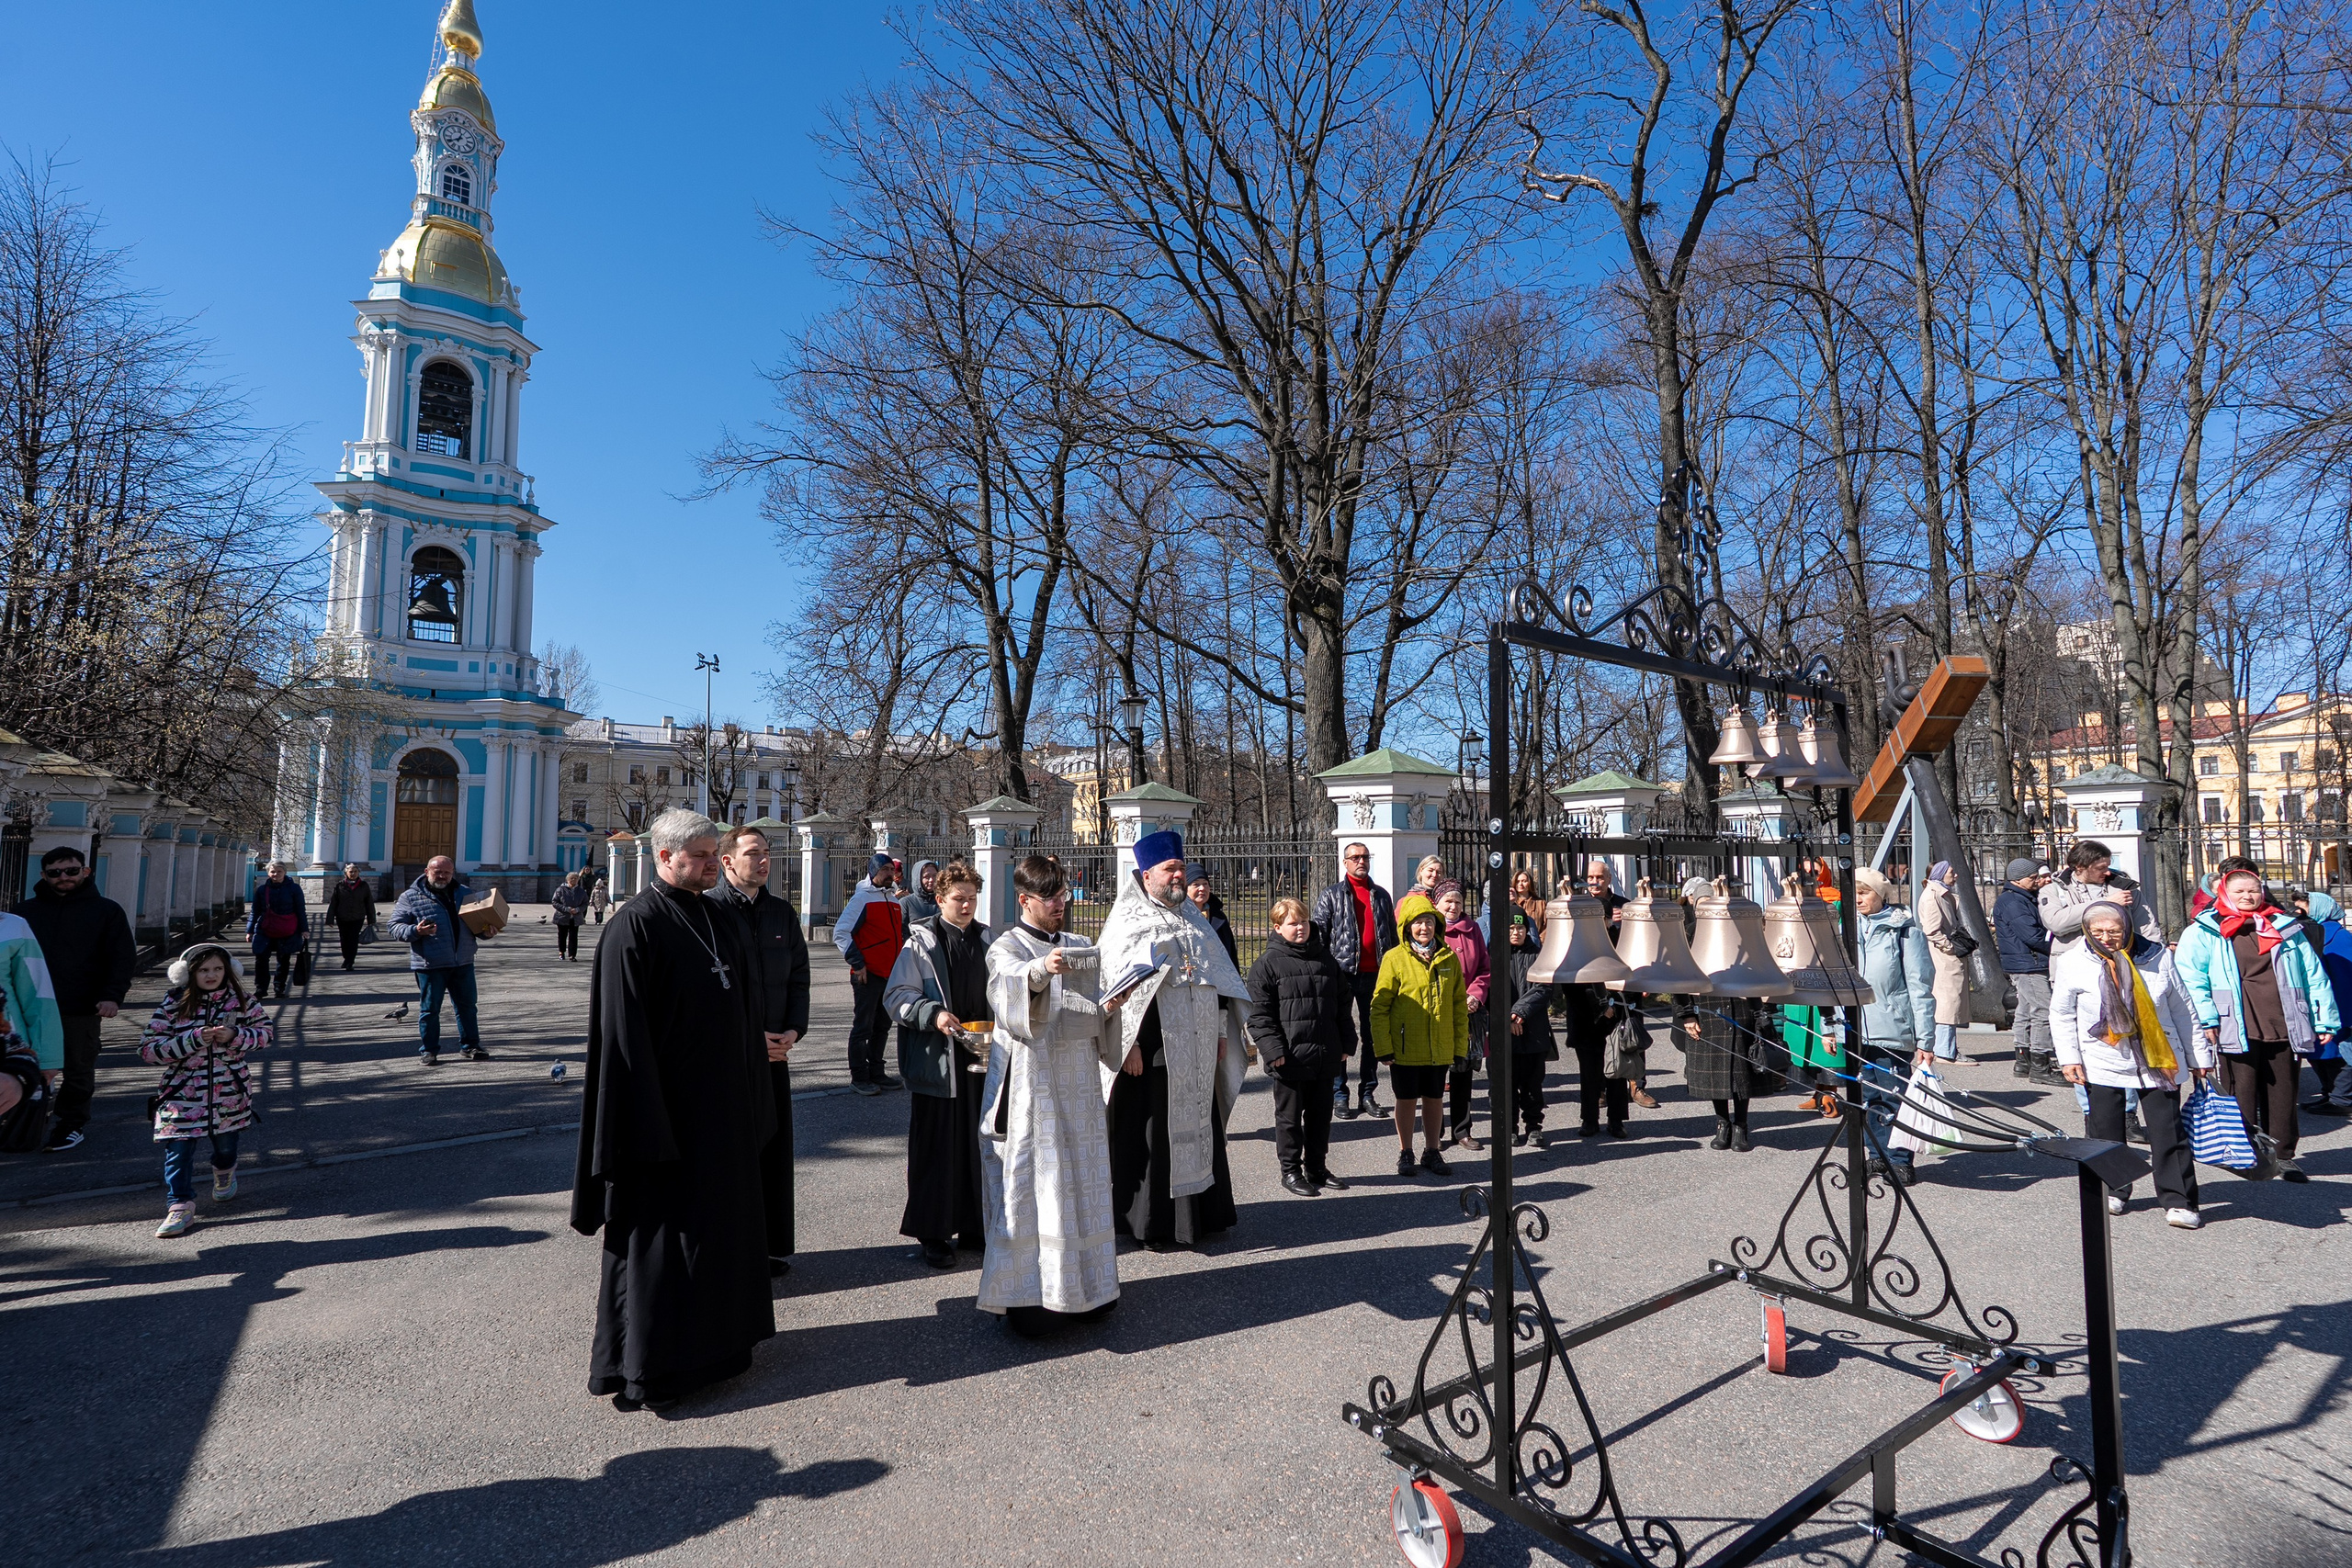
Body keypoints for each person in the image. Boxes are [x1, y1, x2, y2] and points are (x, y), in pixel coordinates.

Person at [571, 809, 775, 1411]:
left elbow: (744, 1012)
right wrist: (647, 1129)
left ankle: (723, 1349)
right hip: (662, 1124)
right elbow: (623, 1044)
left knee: (720, 1238)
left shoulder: (719, 918)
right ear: (664, 857)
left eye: (717, 855)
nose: (715, 866)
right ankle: (649, 1368)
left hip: (724, 1114)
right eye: (703, 857)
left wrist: (752, 1097)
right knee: (659, 1246)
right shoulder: (631, 928)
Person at [981, 855, 1127, 1334]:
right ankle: (1032, 1300)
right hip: (1033, 1086)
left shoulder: (1080, 944)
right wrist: (1040, 971)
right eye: (1051, 897)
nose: (1061, 904)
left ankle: (1090, 1288)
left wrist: (1112, 1005)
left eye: (1064, 895)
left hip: (1080, 1083)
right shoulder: (1006, 946)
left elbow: (1087, 1011)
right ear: (1024, 899)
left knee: (1082, 1178)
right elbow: (1006, 1000)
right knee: (1038, 1180)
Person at [1101, 829, 1251, 1250]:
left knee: (1201, 1126)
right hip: (1148, 1052)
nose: (1178, 877)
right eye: (1170, 870)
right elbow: (1113, 988)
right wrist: (1124, 1043)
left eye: (1181, 869)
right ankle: (1152, 1223)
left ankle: (1203, 1214)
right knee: (1151, 1133)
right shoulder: (1126, 923)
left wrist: (1221, 1032)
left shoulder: (1194, 920)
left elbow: (1217, 981)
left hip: (1198, 1048)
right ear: (1145, 874)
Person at [2174, 865, 2339, 1184]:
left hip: (2284, 1018)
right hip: (2233, 1019)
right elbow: (2191, 979)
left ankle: (2284, 1156)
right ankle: (2246, 1152)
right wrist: (2206, 1018)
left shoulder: (2285, 927)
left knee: (2283, 1091)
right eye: (2239, 891)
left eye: (2253, 890)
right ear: (2224, 893)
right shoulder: (2204, 929)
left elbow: (2313, 975)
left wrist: (2323, 1019)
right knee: (2241, 1090)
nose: (2248, 896)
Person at [2051, 900, 2211, 1228]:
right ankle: (2113, 1188)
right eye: (2098, 931)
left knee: (2167, 1131)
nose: (2106, 938)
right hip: (2100, 1057)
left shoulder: (2158, 956)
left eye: (2114, 931)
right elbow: (2062, 1013)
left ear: (2128, 928)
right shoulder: (2073, 961)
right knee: (2105, 1128)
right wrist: (2068, 1058)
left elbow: (2183, 1010)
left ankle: (2179, 1200)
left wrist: (2199, 1058)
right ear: (2086, 931)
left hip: (2158, 1056)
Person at [708, 824, 808, 1277]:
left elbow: (798, 978)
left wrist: (792, 1031)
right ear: (727, 861)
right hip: (727, 1061)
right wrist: (748, 1039)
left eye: (767, 852)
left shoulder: (782, 913)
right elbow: (709, 994)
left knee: (769, 1151)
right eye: (753, 853)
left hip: (774, 1056)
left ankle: (765, 1247)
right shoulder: (708, 912)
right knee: (732, 1156)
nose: (764, 861)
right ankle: (729, 1251)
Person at [886, 860, 994, 1269]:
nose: (966, 906)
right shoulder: (921, 943)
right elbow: (896, 996)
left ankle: (974, 1226)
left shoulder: (988, 940)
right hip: (938, 1065)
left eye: (971, 898)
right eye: (958, 899)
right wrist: (933, 1014)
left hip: (982, 1062)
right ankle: (932, 1234)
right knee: (936, 1151)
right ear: (939, 898)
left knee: (977, 1146)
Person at [140, 943, 270, 1238]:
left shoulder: (242, 1002)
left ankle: (224, 1172)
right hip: (182, 1093)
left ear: (229, 970)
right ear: (188, 974)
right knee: (179, 1151)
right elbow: (148, 1049)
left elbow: (266, 1034)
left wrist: (237, 1035)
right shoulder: (173, 1005)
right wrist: (192, 1040)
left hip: (228, 1093)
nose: (211, 975)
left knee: (226, 1148)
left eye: (218, 969)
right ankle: (179, 1205)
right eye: (203, 970)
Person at [15, 846, 132, 1153]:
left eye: (71, 870)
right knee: (22, 1064)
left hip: (81, 1006)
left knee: (78, 1067)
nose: (63, 877)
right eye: (55, 873)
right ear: (43, 876)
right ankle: (21, 1123)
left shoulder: (107, 911)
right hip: (28, 1008)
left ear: (86, 871)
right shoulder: (24, 913)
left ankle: (70, 1125)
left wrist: (111, 997)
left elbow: (120, 958)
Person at [1246, 895, 1355, 1195]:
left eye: (1304, 922)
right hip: (1289, 1059)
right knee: (1290, 1120)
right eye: (1293, 924)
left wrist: (1346, 1042)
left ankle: (1317, 1168)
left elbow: (1343, 1004)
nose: (1300, 928)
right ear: (1278, 927)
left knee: (1320, 1118)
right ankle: (1291, 1171)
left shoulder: (1325, 958)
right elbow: (1259, 1015)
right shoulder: (1267, 964)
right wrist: (1273, 1051)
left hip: (1324, 1054)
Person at [1374, 894, 1468, 1178]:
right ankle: (1406, 1151)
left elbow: (1459, 1006)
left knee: (1434, 1098)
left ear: (1436, 925)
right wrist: (1384, 1047)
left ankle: (1431, 1151)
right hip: (1405, 1046)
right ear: (1407, 927)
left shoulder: (1448, 957)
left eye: (1428, 922)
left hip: (1439, 1046)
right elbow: (1379, 1006)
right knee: (1405, 1099)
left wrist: (1459, 1046)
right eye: (1417, 923)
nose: (1424, 928)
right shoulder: (1394, 958)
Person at [1853, 868, 1938, 1185]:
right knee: (1867, 1097)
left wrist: (1926, 1040)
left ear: (1881, 895)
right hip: (1856, 1029)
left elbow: (1920, 986)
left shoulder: (1904, 931)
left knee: (1894, 1096)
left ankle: (1900, 1159)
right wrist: (1833, 1026)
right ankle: (1875, 1156)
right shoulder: (1846, 930)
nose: (1859, 899)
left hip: (1892, 1027)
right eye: (1855, 892)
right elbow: (1838, 980)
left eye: (1865, 892)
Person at [1312, 842, 1396, 1122]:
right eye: (1355, 857)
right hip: (1343, 975)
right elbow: (1320, 937)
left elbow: (1392, 939)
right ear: (1345, 862)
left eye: (1364, 857)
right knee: (1340, 1035)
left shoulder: (1382, 896)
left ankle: (1368, 1093)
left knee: (1374, 1036)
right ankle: (1339, 1094)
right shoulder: (1331, 896)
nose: (1361, 861)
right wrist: (1326, 972)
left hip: (1377, 975)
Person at [387, 855, 492, 1065]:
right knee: (430, 1010)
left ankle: (470, 1045)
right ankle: (429, 1050)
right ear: (427, 872)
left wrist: (487, 932)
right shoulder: (410, 896)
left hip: (462, 962)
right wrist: (415, 930)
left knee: (467, 1007)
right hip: (430, 964)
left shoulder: (465, 894)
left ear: (453, 873)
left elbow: (477, 927)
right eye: (438, 872)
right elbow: (394, 927)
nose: (442, 876)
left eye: (447, 873)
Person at [835, 852, 907, 1096]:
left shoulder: (894, 900)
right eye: (884, 869)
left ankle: (877, 1072)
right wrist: (858, 963)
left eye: (891, 869)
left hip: (890, 975)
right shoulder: (862, 899)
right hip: (867, 974)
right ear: (873, 871)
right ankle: (859, 1076)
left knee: (882, 1026)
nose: (889, 873)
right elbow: (842, 933)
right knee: (863, 1027)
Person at [1435, 881, 1489, 1152]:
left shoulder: (1473, 929)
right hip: (1438, 1012)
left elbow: (1484, 967)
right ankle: (1435, 1132)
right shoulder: (1431, 929)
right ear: (1437, 904)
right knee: (1435, 1075)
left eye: (1457, 902)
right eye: (1448, 902)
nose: (1453, 907)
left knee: (1462, 1072)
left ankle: (1462, 1130)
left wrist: (1475, 995)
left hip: (1468, 1012)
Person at [1994, 858, 2058, 1083]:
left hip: (2025, 962)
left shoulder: (2018, 898)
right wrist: (2056, 948)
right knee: (2043, 1009)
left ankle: (2024, 1061)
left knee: (2026, 1009)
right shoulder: (2014, 902)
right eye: (2032, 878)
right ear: (2017, 879)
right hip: (2029, 963)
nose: (2036, 881)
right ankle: (2040, 1065)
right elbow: (2032, 936)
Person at [2040, 840, 2159, 959]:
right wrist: (2106, 903)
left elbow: (2147, 928)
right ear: (2080, 867)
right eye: (2101, 868)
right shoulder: (2053, 890)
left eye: (2108, 866)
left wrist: (2155, 956)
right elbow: (2055, 923)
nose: (2107, 872)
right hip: (2073, 964)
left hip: (2119, 961)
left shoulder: (2125, 890)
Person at [1504, 901, 1558, 1147]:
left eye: (1521, 929)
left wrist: (1519, 1012)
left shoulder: (1538, 954)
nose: (1516, 933)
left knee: (1533, 1085)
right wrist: (1508, 1017)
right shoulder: (1495, 955)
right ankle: (1509, 1128)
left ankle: (1534, 1127)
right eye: (1512, 929)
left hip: (1533, 1031)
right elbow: (1493, 990)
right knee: (1507, 1084)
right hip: (1506, 1033)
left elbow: (1544, 988)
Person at [2295, 890, 2352, 1114]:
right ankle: (2331, 1093)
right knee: (2320, 1052)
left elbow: (2345, 981)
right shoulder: (2312, 933)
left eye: (2304, 909)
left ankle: (2341, 1099)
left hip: (2336, 1008)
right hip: (2322, 1006)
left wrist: (2344, 1017)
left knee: (2336, 1052)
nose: (2299, 914)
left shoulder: (2337, 938)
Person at [1916, 862, 1971, 1064]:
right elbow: (1931, 930)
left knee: (1951, 1001)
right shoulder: (1933, 896)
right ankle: (1945, 1051)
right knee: (1947, 1003)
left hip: (1947, 955)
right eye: (1951, 872)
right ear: (1940, 874)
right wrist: (1950, 947)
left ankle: (1947, 1048)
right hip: (1944, 956)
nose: (1955, 875)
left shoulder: (1941, 893)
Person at [245, 861, 308, 1000]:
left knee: (284, 959)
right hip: (265, 928)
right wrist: (249, 930)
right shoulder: (262, 890)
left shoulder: (294, 889)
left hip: (287, 929)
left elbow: (300, 910)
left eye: (279, 872)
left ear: (285, 872)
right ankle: (261, 988)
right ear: (268, 873)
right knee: (261, 958)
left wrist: (304, 929)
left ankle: (279, 987)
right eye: (273, 872)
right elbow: (254, 911)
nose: (276, 874)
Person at [323, 863, 377, 972]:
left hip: (357, 917)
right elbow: (334, 903)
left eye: (355, 871)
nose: (353, 874)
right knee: (344, 939)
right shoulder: (340, 886)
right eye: (351, 872)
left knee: (353, 939)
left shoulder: (364, 886)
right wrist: (330, 919)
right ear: (346, 873)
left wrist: (371, 919)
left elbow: (369, 903)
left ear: (358, 873)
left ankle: (350, 961)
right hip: (342, 917)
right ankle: (346, 958)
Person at [1186, 863, 1239, 969]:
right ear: (1184, 888)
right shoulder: (1178, 916)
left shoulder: (1218, 917)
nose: (1202, 888)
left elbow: (1230, 954)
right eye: (1196, 884)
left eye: (1205, 884)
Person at [551, 872, 591, 962]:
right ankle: (561, 952)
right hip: (562, 917)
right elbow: (555, 902)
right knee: (562, 935)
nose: (574, 880)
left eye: (576, 878)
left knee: (573, 936)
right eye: (572, 878)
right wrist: (566, 909)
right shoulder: (560, 890)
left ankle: (572, 955)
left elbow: (585, 903)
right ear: (567, 880)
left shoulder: (581, 891)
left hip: (575, 917)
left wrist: (578, 909)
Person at [903, 859, 942, 926]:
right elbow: (902, 931)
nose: (931, 880)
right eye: (926, 877)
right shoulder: (906, 903)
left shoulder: (943, 900)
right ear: (918, 878)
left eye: (934, 875)